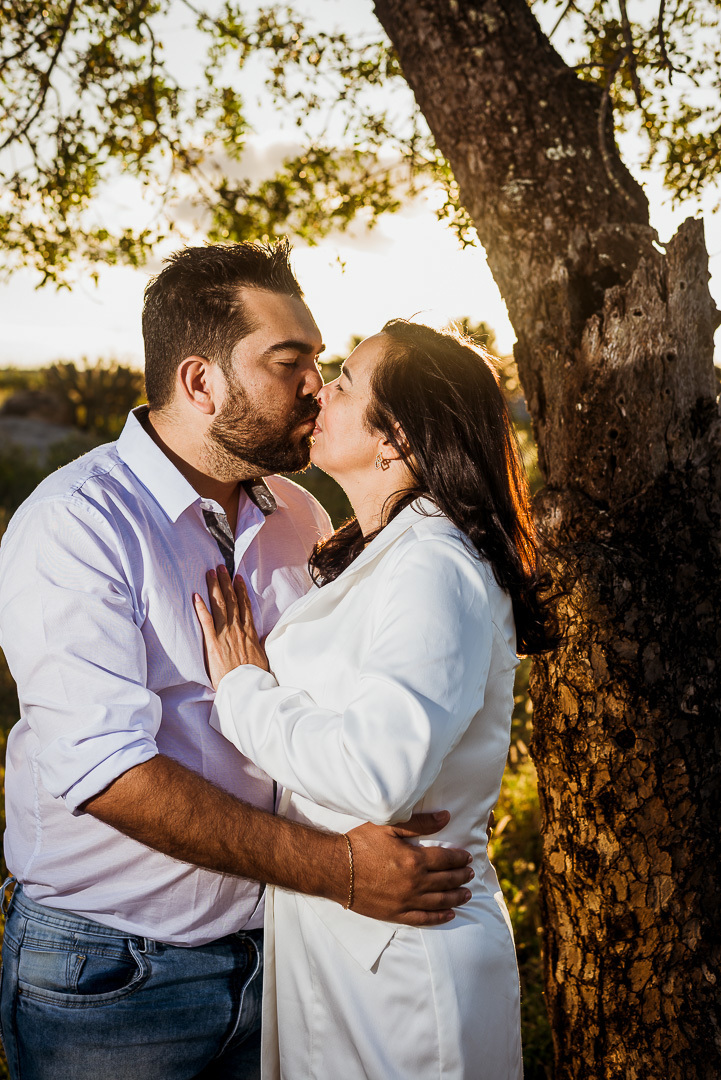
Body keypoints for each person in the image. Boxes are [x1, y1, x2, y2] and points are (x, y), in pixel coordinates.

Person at [0, 246, 474, 1080]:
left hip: (284, 956)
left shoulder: (296, 509)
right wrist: (341, 870)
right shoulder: (75, 524)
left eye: (321, 364)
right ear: (200, 382)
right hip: (116, 977)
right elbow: (108, 773)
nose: (316, 386)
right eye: (290, 363)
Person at [196, 319, 559, 1080]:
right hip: (342, 939)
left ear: (395, 437)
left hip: (404, 958)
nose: (319, 389)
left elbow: (375, 774)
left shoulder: (432, 564)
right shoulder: (380, 549)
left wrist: (242, 688)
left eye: (345, 382)